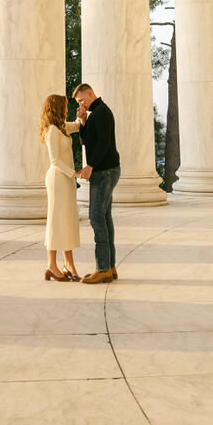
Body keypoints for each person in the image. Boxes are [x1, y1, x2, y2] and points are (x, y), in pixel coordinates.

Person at [73, 82, 120, 284]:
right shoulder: (94, 114)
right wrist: (82, 122)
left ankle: (102, 269)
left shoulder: (101, 112)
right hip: (105, 171)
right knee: (105, 218)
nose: (81, 104)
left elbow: (103, 144)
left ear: (90, 94)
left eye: (82, 100)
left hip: (104, 171)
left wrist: (90, 165)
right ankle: (109, 268)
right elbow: (87, 141)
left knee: (96, 218)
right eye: (78, 102)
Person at [39, 94, 82, 282]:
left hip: (66, 180)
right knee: (56, 221)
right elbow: (54, 160)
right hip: (58, 179)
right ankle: (51, 265)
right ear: (57, 108)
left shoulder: (62, 128)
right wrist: (75, 173)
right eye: (64, 106)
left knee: (66, 220)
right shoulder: (52, 131)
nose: (66, 109)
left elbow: (78, 125)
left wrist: (81, 114)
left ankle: (69, 263)